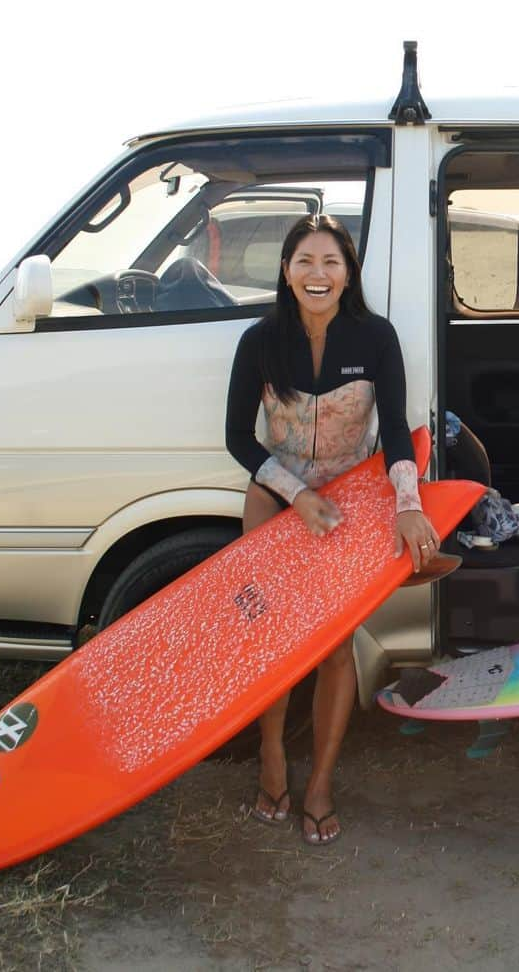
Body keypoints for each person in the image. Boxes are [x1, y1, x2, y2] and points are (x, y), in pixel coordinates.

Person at [225, 215, 437, 846]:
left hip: (347, 500)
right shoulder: (259, 341)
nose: (318, 274)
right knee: (269, 645)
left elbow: (395, 430)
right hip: (274, 494)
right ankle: (270, 762)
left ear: (349, 274)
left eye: (331, 263)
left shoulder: (375, 338)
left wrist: (406, 501)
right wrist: (295, 494)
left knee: (336, 648)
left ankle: (318, 782)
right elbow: (239, 438)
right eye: (304, 262)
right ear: (286, 271)